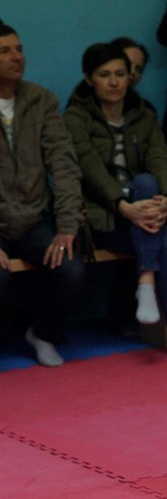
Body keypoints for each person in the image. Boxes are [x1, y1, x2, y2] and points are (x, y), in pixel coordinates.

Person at [64, 43, 167, 365]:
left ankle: (161, 306)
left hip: (143, 214)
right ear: (89, 78)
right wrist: (122, 204)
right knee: (166, 234)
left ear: (130, 76)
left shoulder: (144, 115)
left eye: (120, 74)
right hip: (105, 218)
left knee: (153, 192)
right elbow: (89, 168)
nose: (114, 82)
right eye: (104, 75)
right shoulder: (75, 117)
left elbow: (160, 158)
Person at [0, 22, 86, 367]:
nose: (16, 57)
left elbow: (63, 166)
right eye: (5, 51)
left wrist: (66, 227)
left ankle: (44, 334)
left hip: (34, 218)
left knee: (70, 269)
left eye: (19, 49)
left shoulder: (41, 100)